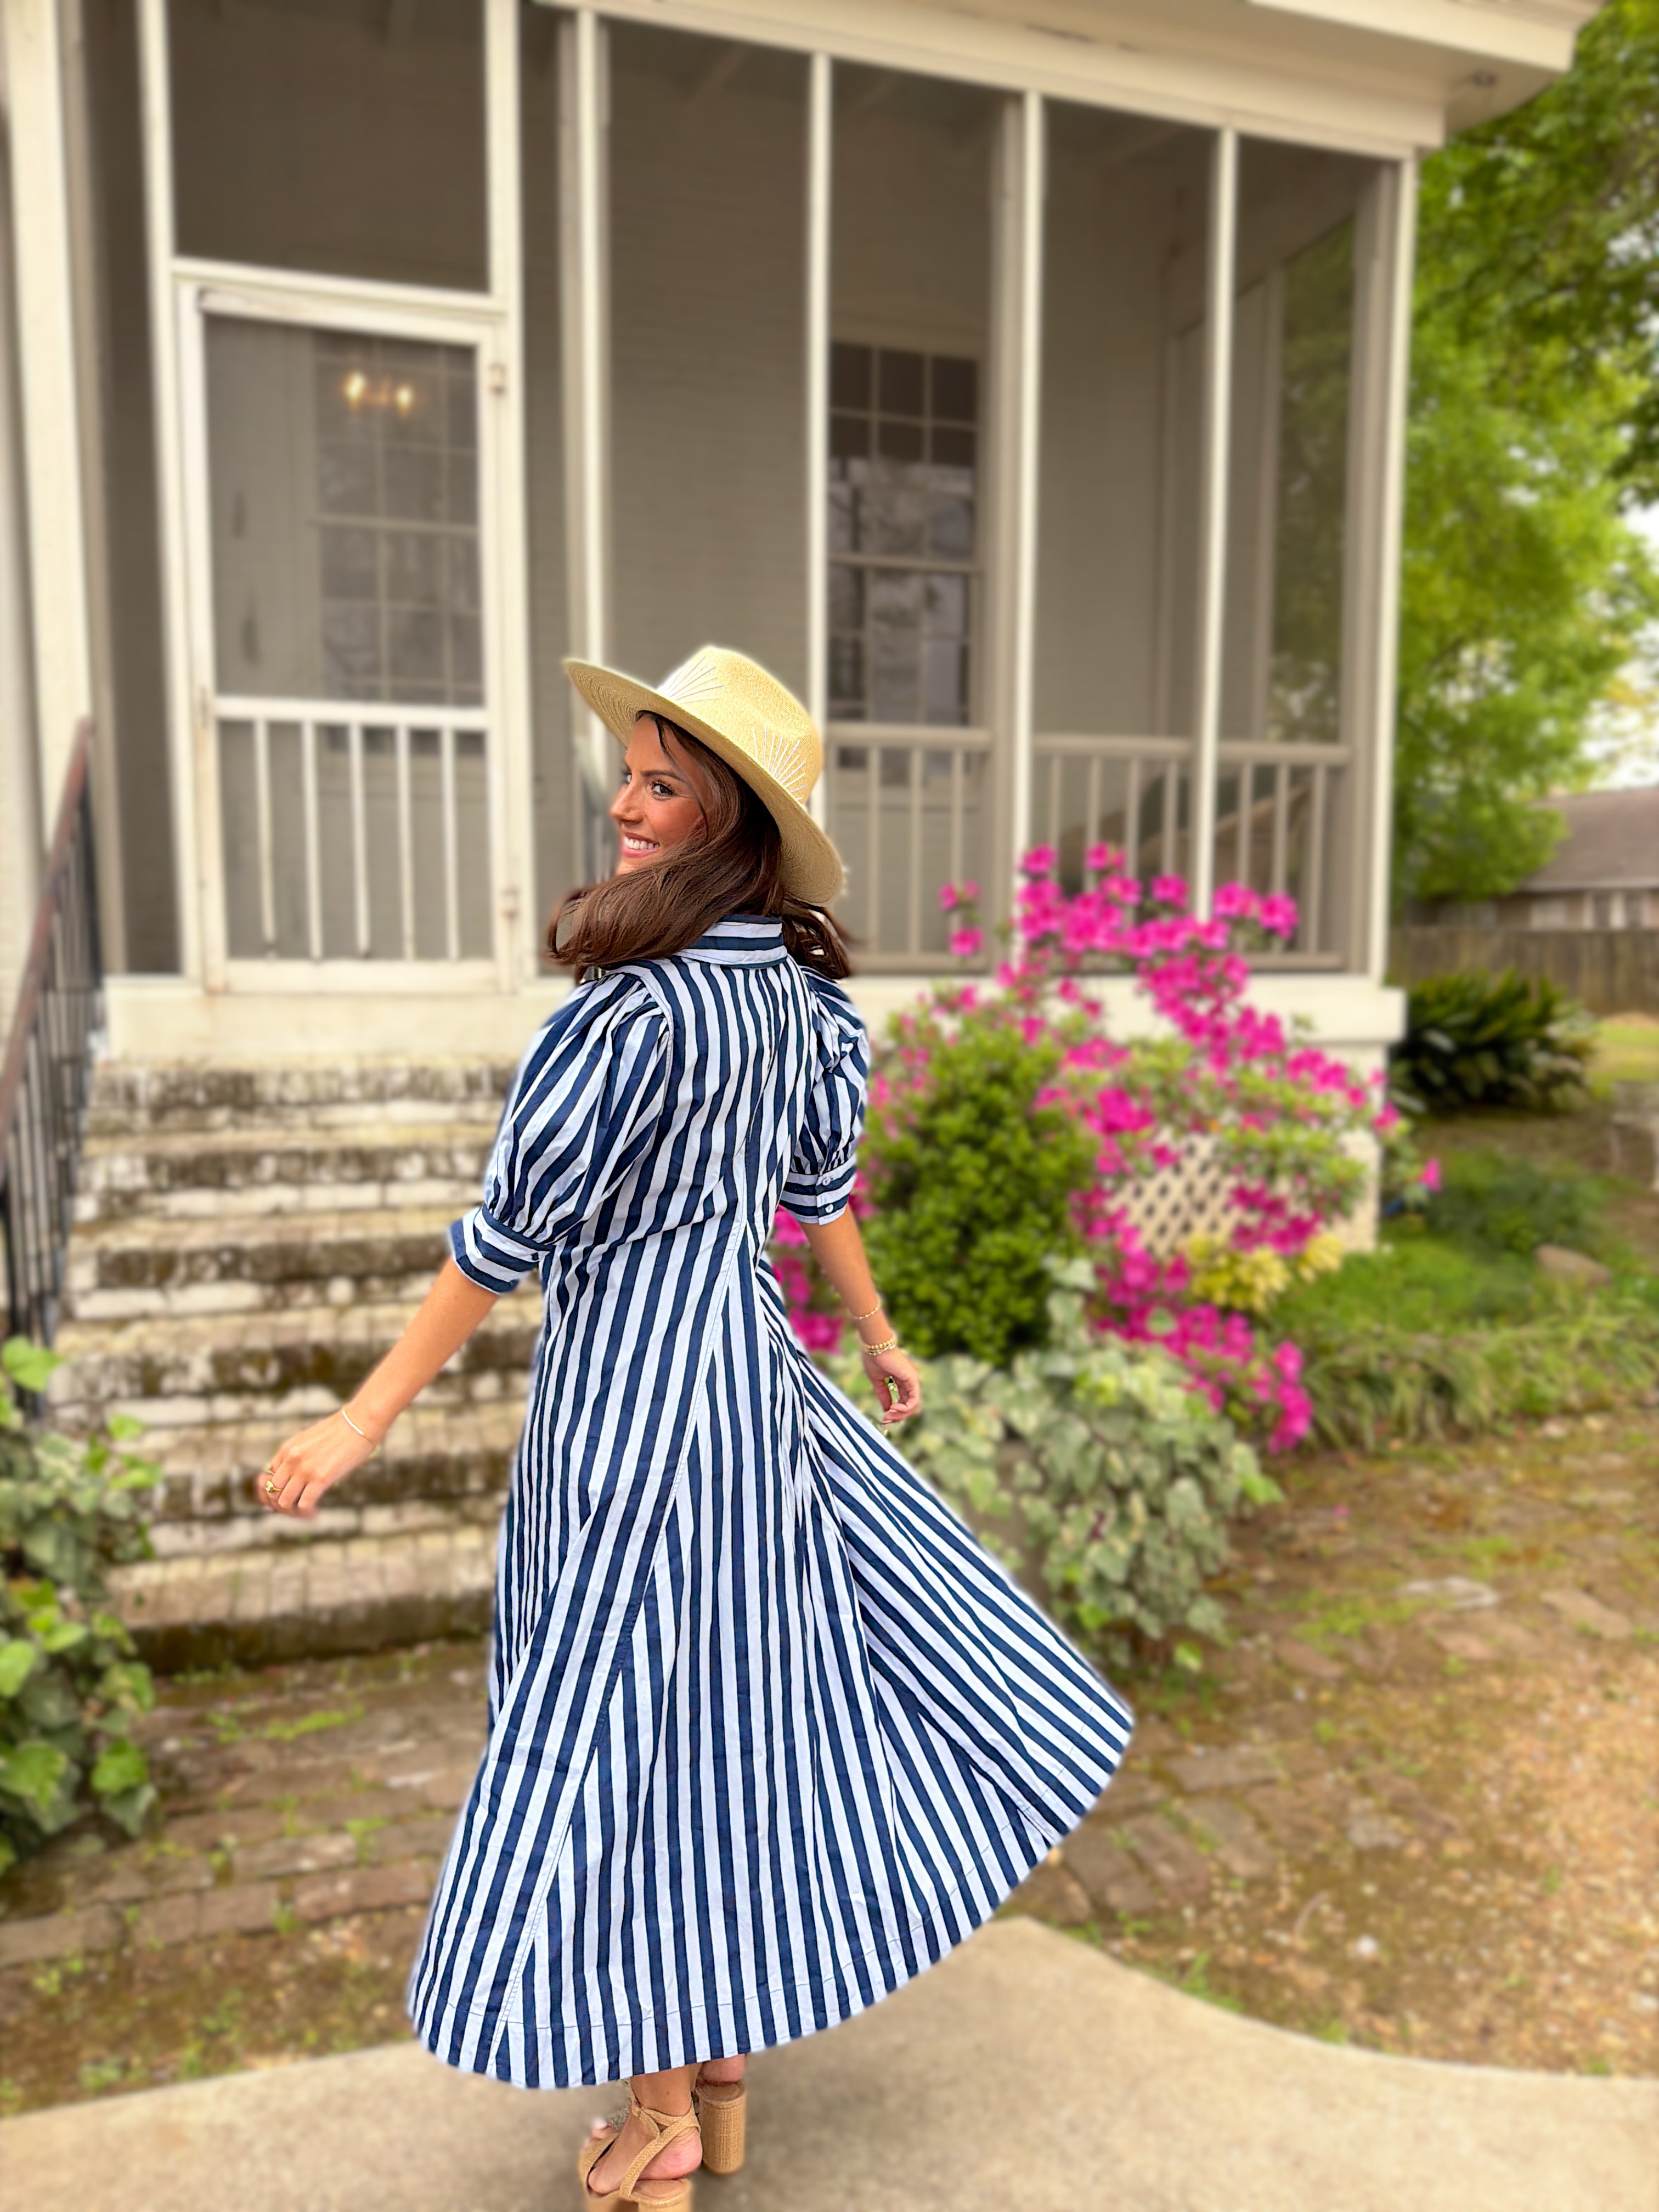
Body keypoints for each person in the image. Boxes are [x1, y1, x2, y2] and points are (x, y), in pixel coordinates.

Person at [258, 646, 1133, 2207]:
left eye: (662, 782)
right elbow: (819, 1203)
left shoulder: (632, 1014)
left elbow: (502, 1240)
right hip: (746, 1396)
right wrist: (875, 1335)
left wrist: (365, 1415)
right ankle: (717, 2069)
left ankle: (656, 2120)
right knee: (733, 1720)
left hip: (627, 1418)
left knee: (628, 1738)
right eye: (634, 774)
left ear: (728, 815)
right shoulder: (800, 1004)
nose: (626, 800)